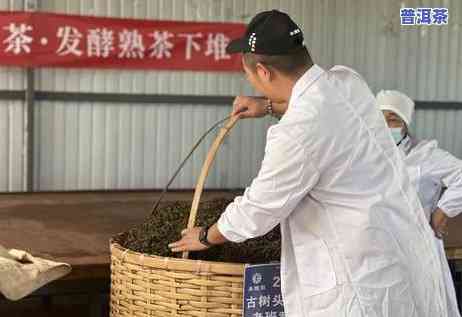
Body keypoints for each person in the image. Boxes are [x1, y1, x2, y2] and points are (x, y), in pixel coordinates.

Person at [169, 10, 448, 316]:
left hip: (355, 280)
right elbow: (320, 112)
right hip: (392, 250)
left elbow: (259, 209)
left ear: (263, 72)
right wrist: (267, 106)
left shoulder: (296, 132)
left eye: (249, 75)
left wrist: (206, 236)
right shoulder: (346, 81)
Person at [378, 89, 462, 317]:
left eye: (393, 118)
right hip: (378, 247)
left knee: (422, 305)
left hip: (418, 247)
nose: (387, 124)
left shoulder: (425, 155)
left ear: (405, 123)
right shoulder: (364, 155)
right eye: (381, 118)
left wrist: (443, 211)